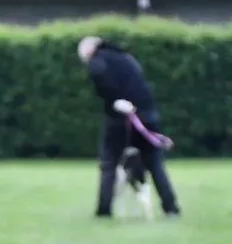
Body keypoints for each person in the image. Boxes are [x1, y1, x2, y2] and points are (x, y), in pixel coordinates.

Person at [77, 36, 179, 219]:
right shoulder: (125, 58)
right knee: (155, 163)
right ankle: (171, 208)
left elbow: (101, 78)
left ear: (88, 51)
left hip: (120, 118)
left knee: (109, 163)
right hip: (147, 115)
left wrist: (114, 100)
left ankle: (104, 210)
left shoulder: (98, 61)